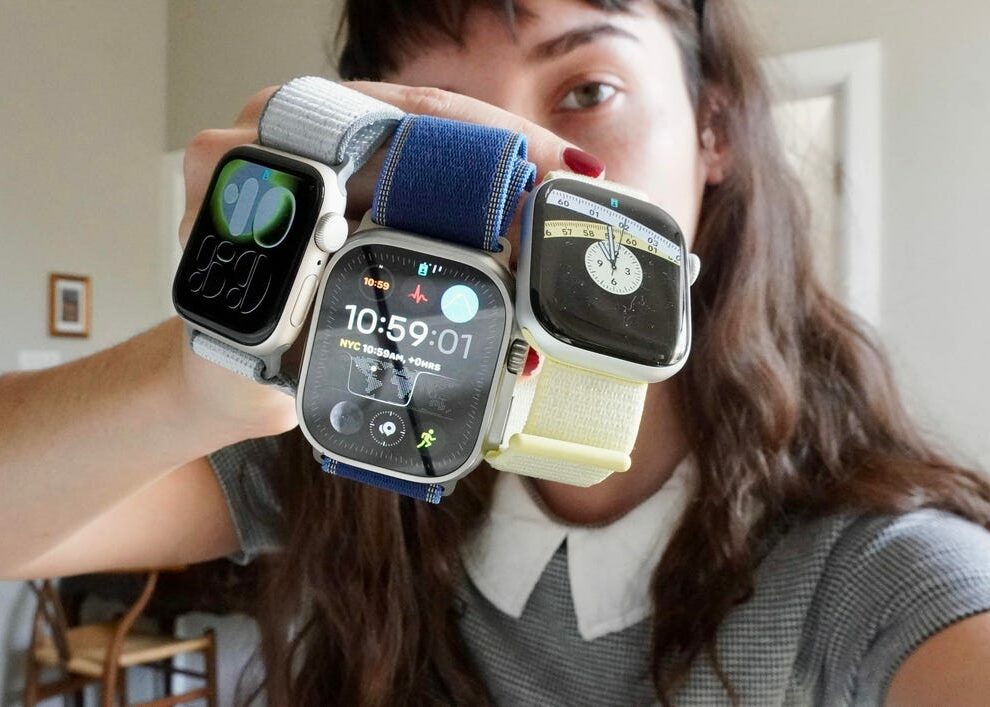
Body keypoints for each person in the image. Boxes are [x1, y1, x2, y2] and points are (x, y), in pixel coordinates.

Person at [3, 0, 990, 704]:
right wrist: (211, 366)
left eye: (587, 88)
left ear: (713, 128)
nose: (518, 168)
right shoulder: (346, 429)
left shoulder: (870, 564)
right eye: (438, 111)